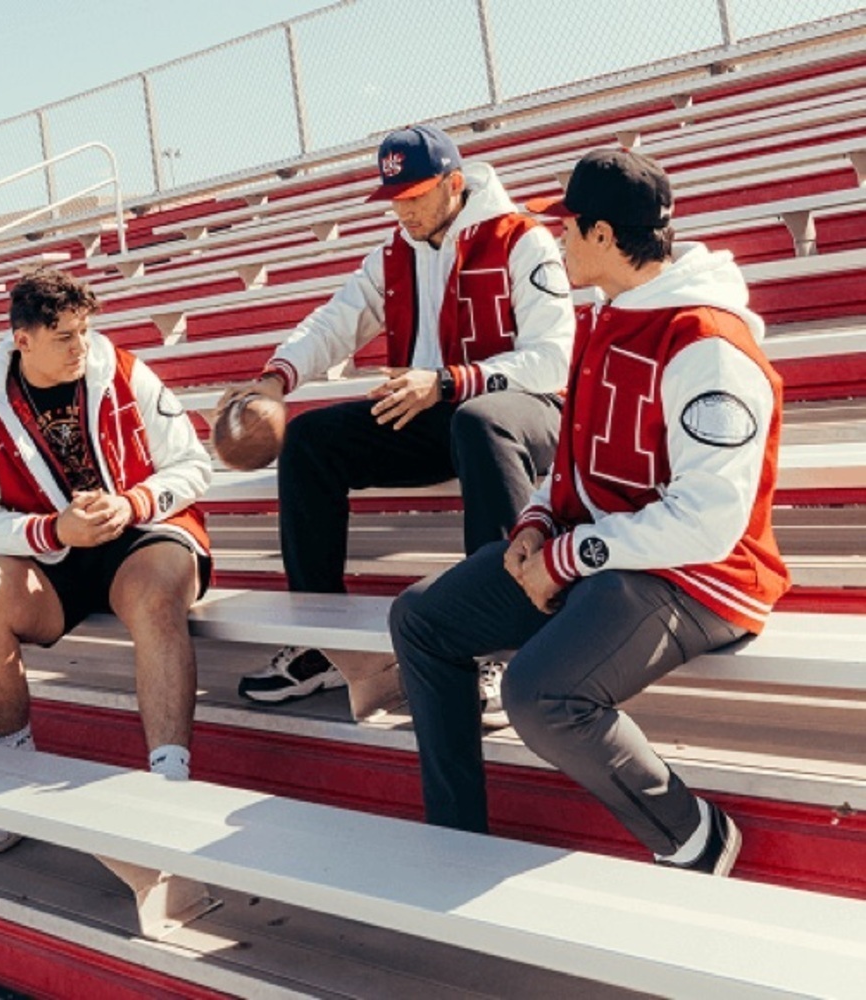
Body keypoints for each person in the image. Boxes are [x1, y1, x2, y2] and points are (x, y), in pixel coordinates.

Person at [389, 147, 791, 876]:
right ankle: (455, 840)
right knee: (422, 620)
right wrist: (536, 524)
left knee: (540, 693)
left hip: (699, 576)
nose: (558, 240)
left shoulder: (709, 344)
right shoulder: (611, 312)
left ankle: (694, 835)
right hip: (605, 551)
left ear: (604, 237)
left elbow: (710, 520)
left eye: (570, 228)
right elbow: (573, 458)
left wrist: (567, 557)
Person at [222, 124, 575, 707]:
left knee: (479, 420)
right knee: (310, 441)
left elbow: (555, 358)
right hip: (438, 409)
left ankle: (495, 643)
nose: (402, 210)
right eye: (394, 197)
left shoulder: (522, 241)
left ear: (455, 184)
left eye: (414, 195)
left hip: (525, 415)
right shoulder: (394, 254)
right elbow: (336, 321)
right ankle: (324, 644)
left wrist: (447, 381)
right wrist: (273, 379)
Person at [0, 268, 213, 855]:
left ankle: (169, 783)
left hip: (139, 536)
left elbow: (195, 466)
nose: (81, 347)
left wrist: (134, 501)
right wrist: (51, 529)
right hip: (53, 555)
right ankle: (13, 772)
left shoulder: (123, 371)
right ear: (23, 340)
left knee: (155, 593)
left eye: (85, 331)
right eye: (64, 336)